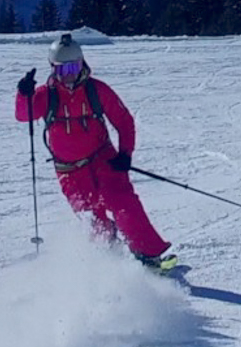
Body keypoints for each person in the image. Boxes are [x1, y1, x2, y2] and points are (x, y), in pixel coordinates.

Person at [16, 34, 175, 269]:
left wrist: (125, 154)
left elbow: (124, 120)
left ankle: (150, 257)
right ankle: (111, 262)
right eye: (62, 70)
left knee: (125, 205)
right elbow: (23, 115)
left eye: (73, 67)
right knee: (92, 220)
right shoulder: (46, 95)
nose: (68, 75)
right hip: (69, 171)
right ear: (53, 69)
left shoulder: (96, 90)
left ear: (82, 64)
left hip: (105, 161)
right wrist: (24, 95)